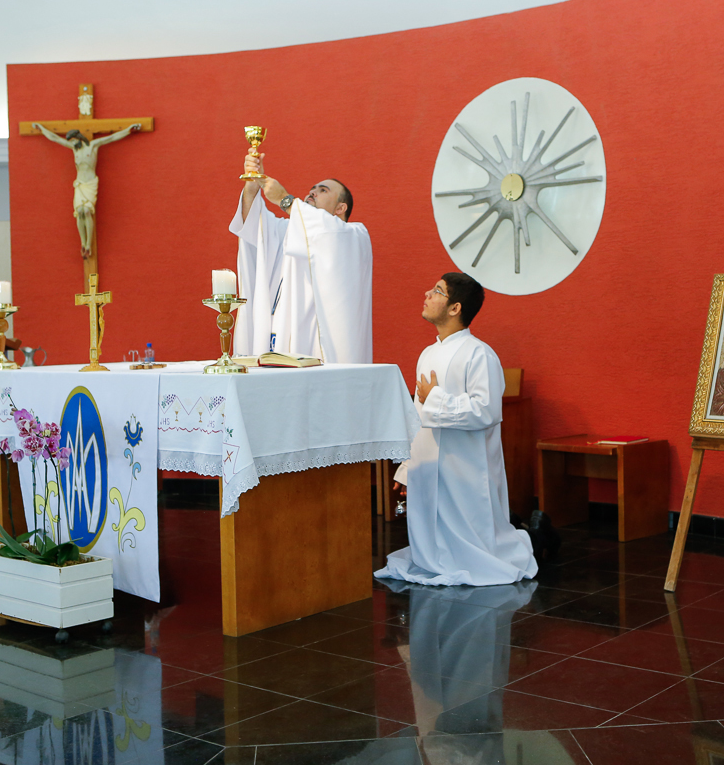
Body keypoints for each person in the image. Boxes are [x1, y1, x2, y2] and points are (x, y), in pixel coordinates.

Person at [375, 273, 538, 586]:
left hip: (465, 468)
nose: (427, 293)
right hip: (430, 464)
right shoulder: (427, 354)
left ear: (455, 308)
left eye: (437, 291)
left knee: (472, 546)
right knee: (429, 544)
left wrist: (434, 398)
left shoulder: (480, 354)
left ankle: (516, 545)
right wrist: (410, 467)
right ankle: (433, 558)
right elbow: (419, 418)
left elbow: (486, 411)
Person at [227, 150, 372, 363]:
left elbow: (327, 233)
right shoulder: (288, 230)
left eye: (323, 191)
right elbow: (253, 227)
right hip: (275, 342)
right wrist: (251, 186)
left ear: (341, 208)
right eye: (312, 189)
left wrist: (285, 200)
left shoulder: (353, 236)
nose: (312, 193)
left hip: (316, 350)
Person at [31, 122, 141, 259]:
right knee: (80, 212)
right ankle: (83, 243)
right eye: (71, 141)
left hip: (89, 184)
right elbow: (55, 138)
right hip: (80, 184)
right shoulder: (74, 148)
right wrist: (41, 129)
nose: (72, 143)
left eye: (74, 140)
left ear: (79, 138)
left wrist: (128, 130)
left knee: (87, 211)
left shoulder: (93, 145)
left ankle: (88, 244)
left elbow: (112, 137)